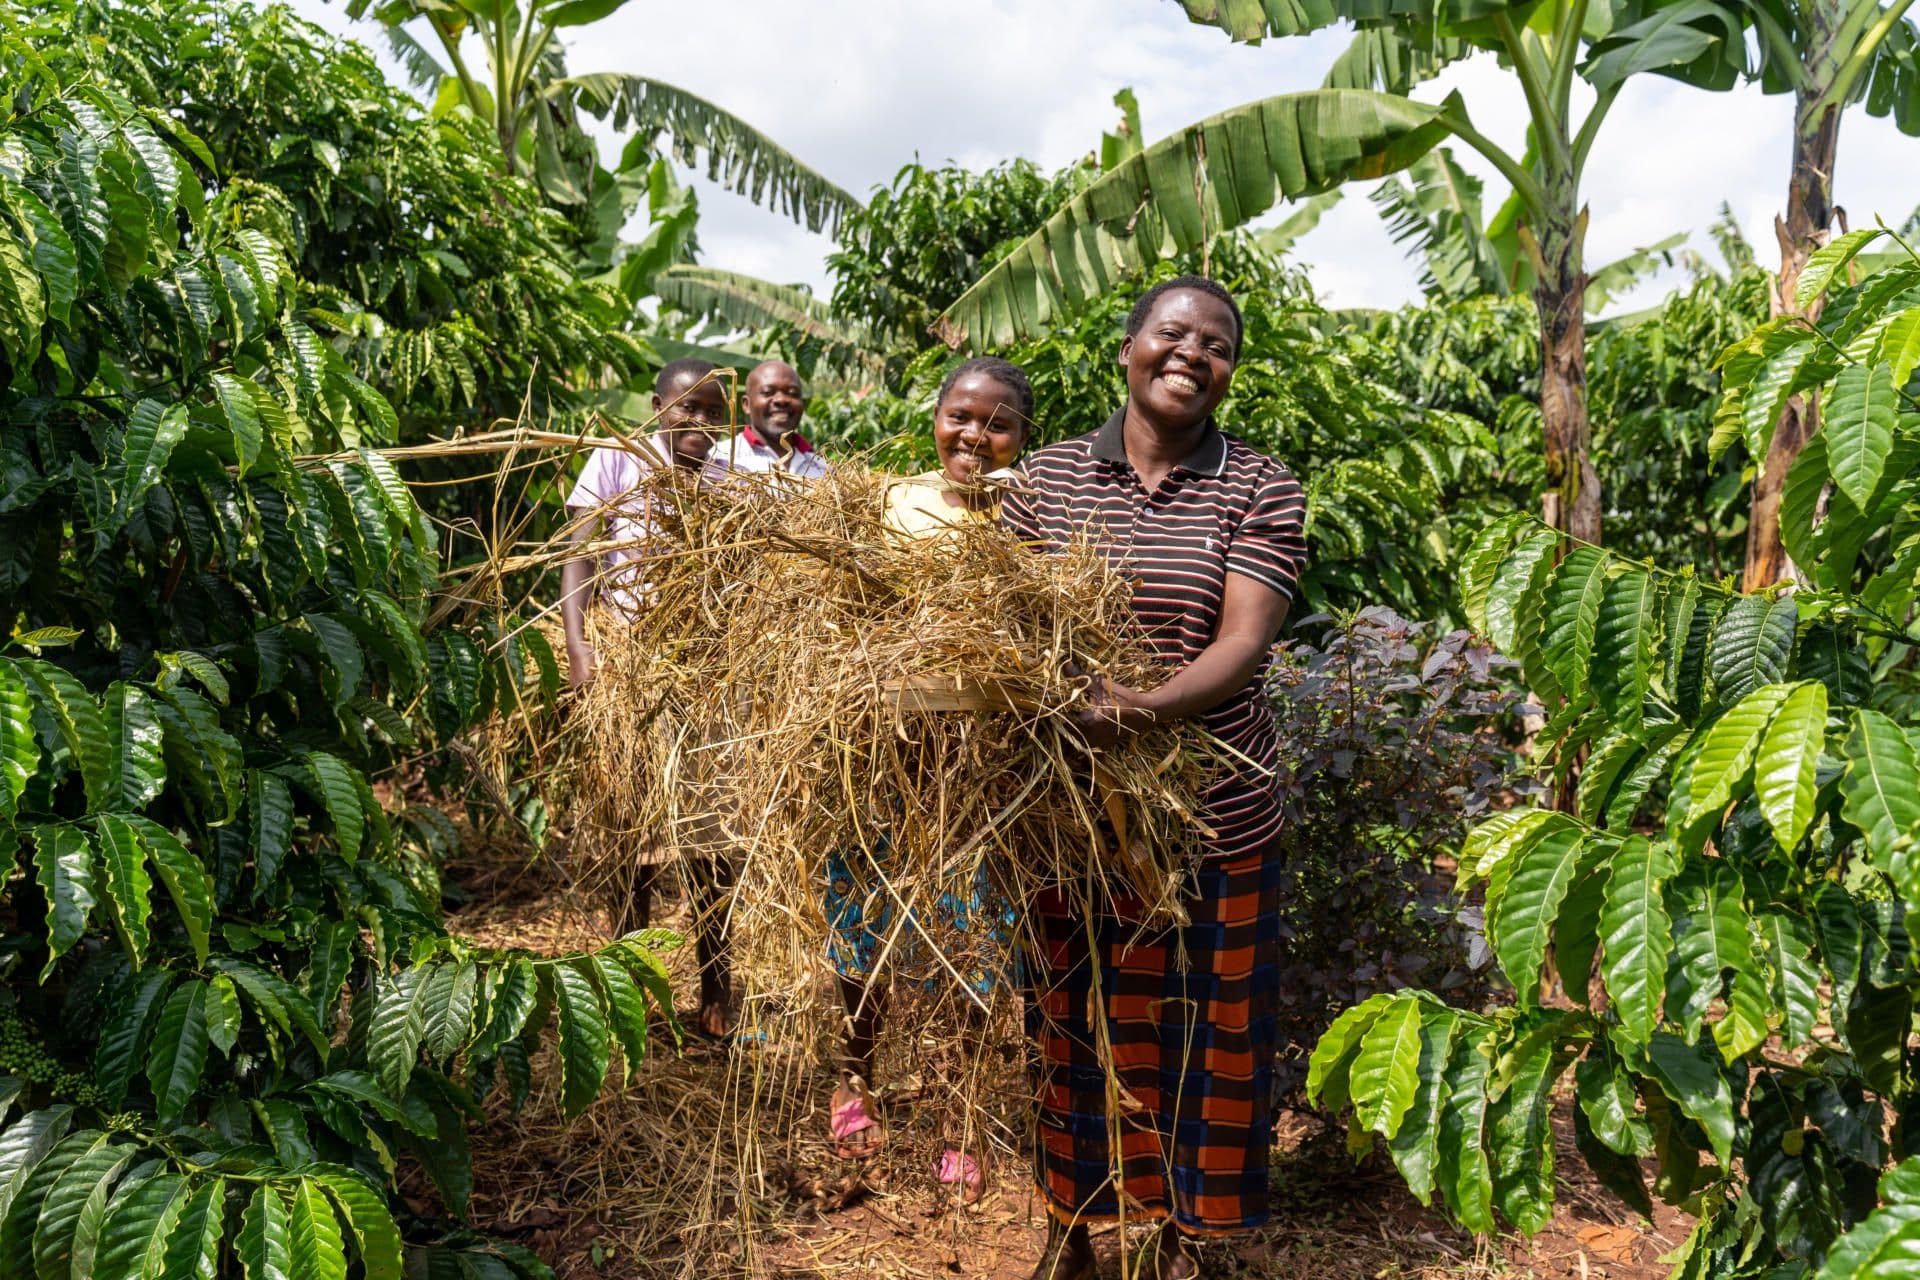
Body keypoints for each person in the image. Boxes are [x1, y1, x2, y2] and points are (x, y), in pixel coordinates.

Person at [998, 277, 1307, 1280]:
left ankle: (1190, 1238)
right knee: (1071, 1024)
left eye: (1216, 345)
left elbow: (1243, 643)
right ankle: (1073, 1226)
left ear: (1229, 372)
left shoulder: (1259, 484)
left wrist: (1135, 706)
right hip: (1072, 816)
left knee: (1208, 1039)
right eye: (1173, 333)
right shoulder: (1044, 480)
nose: (1192, 355)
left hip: (1216, 808)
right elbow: (1005, 629)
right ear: (1128, 347)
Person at [819, 357, 1035, 1205]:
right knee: (858, 929)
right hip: (877, 760)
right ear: (935, 418)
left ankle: (962, 1118)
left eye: (997, 423)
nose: (974, 437)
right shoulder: (887, 503)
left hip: (984, 771)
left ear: (1022, 435)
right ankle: (854, 1083)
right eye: (960, 417)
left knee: (973, 944)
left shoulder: (1033, 513)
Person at [559, 355, 740, 1039]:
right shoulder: (617, 459)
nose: (697, 423)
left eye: (711, 413)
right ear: (657, 405)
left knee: (712, 844)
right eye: (685, 408)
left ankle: (718, 992)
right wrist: (582, 649)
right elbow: (577, 552)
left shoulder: (727, 478)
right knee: (631, 843)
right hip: (628, 672)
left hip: (704, 676)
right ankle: (630, 989)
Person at [704, 359, 830, 480]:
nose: (781, 400)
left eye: (792, 393)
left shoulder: (824, 469)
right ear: (747, 405)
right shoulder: (717, 459)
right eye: (768, 392)